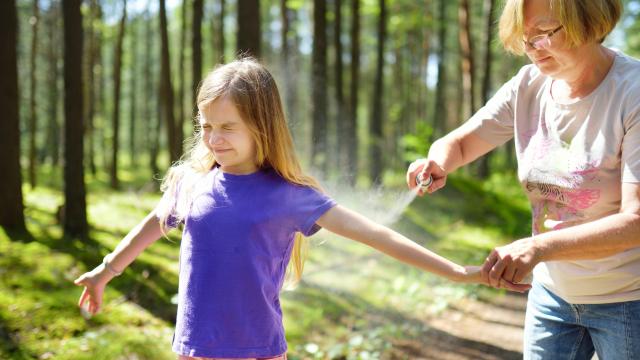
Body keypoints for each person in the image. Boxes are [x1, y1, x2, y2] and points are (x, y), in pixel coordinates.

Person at [74, 58, 481, 360]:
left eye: (227, 127)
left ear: (262, 126)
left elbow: (377, 235)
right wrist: (105, 271)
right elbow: (154, 223)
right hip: (194, 349)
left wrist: (457, 272)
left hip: (260, 352)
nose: (213, 139)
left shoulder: (288, 195)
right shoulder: (190, 182)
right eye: (206, 126)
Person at [407, 0, 640, 358]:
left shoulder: (632, 93)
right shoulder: (528, 85)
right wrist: (436, 162)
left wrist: (537, 248)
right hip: (552, 296)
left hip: (628, 300)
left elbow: (635, 222)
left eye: (544, 34)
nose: (531, 49)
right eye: (524, 38)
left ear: (590, 20)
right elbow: (462, 141)